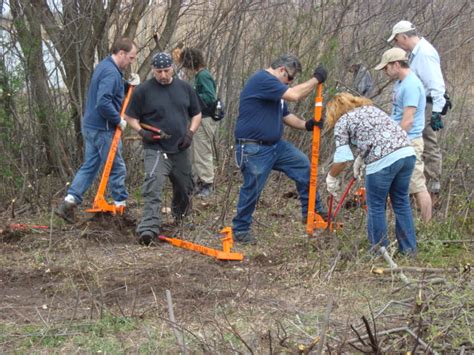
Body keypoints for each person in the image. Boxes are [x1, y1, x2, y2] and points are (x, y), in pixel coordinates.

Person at [232, 54, 328, 245]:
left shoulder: (275, 90)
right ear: (282, 70)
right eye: (290, 78)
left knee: (303, 165)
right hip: (254, 147)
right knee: (253, 188)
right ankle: (240, 229)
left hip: (276, 146)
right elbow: (295, 95)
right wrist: (316, 79)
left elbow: (286, 116)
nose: (290, 83)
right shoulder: (263, 80)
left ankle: (312, 213)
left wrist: (307, 125)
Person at [55, 37, 138, 223]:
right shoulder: (110, 72)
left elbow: (110, 90)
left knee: (90, 165)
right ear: (122, 53)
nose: (131, 62)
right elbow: (103, 101)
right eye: (131, 58)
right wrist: (118, 120)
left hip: (91, 126)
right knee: (116, 165)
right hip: (103, 128)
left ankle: (69, 202)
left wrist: (126, 85)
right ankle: (120, 206)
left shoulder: (105, 66)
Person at [125, 52, 201, 245]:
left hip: (180, 148)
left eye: (166, 70)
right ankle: (148, 229)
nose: (163, 75)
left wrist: (190, 134)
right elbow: (130, 117)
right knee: (153, 185)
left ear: (172, 68)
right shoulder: (143, 91)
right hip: (156, 149)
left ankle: (181, 218)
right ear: (153, 70)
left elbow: (197, 114)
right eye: (159, 71)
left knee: (185, 187)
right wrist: (142, 133)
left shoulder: (185, 88)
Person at [325, 93, 417, 255]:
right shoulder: (371, 109)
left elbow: (343, 159)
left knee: (376, 206)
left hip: (383, 160)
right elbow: (379, 134)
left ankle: (379, 251)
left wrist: (331, 177)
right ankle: (409, 250)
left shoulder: (342, 122)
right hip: (407, 152)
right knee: (401, 203)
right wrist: (361, 157)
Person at [387, 20, 447, 196]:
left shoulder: (425, 54)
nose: (397, 43)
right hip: (420, 102)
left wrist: (436, 111)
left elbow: (437, 84)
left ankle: (432, 186)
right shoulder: (415, 53)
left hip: (428, 103)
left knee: (428, 143)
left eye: (397, 39)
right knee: (417, 143)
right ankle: (417, 187)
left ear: (404, 36)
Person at [375, 47, 432, 222]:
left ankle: (428, 226)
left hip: (409, 141)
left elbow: (408, 120)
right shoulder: (400, 83)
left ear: (397, 64)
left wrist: (393, 141)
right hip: (400, 141)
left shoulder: (411, 85)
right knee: (400, 187)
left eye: (387, 67)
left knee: (417, 185)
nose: (385, 71)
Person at [179, 47, 218, 198]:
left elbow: (210, 97)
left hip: (205, 118)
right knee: (196, 152)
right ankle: (199, 183)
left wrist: (191, 94)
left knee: (203, 151)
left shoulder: (203, 76)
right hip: (198, 118)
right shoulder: (198, 76)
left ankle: (208, 183)